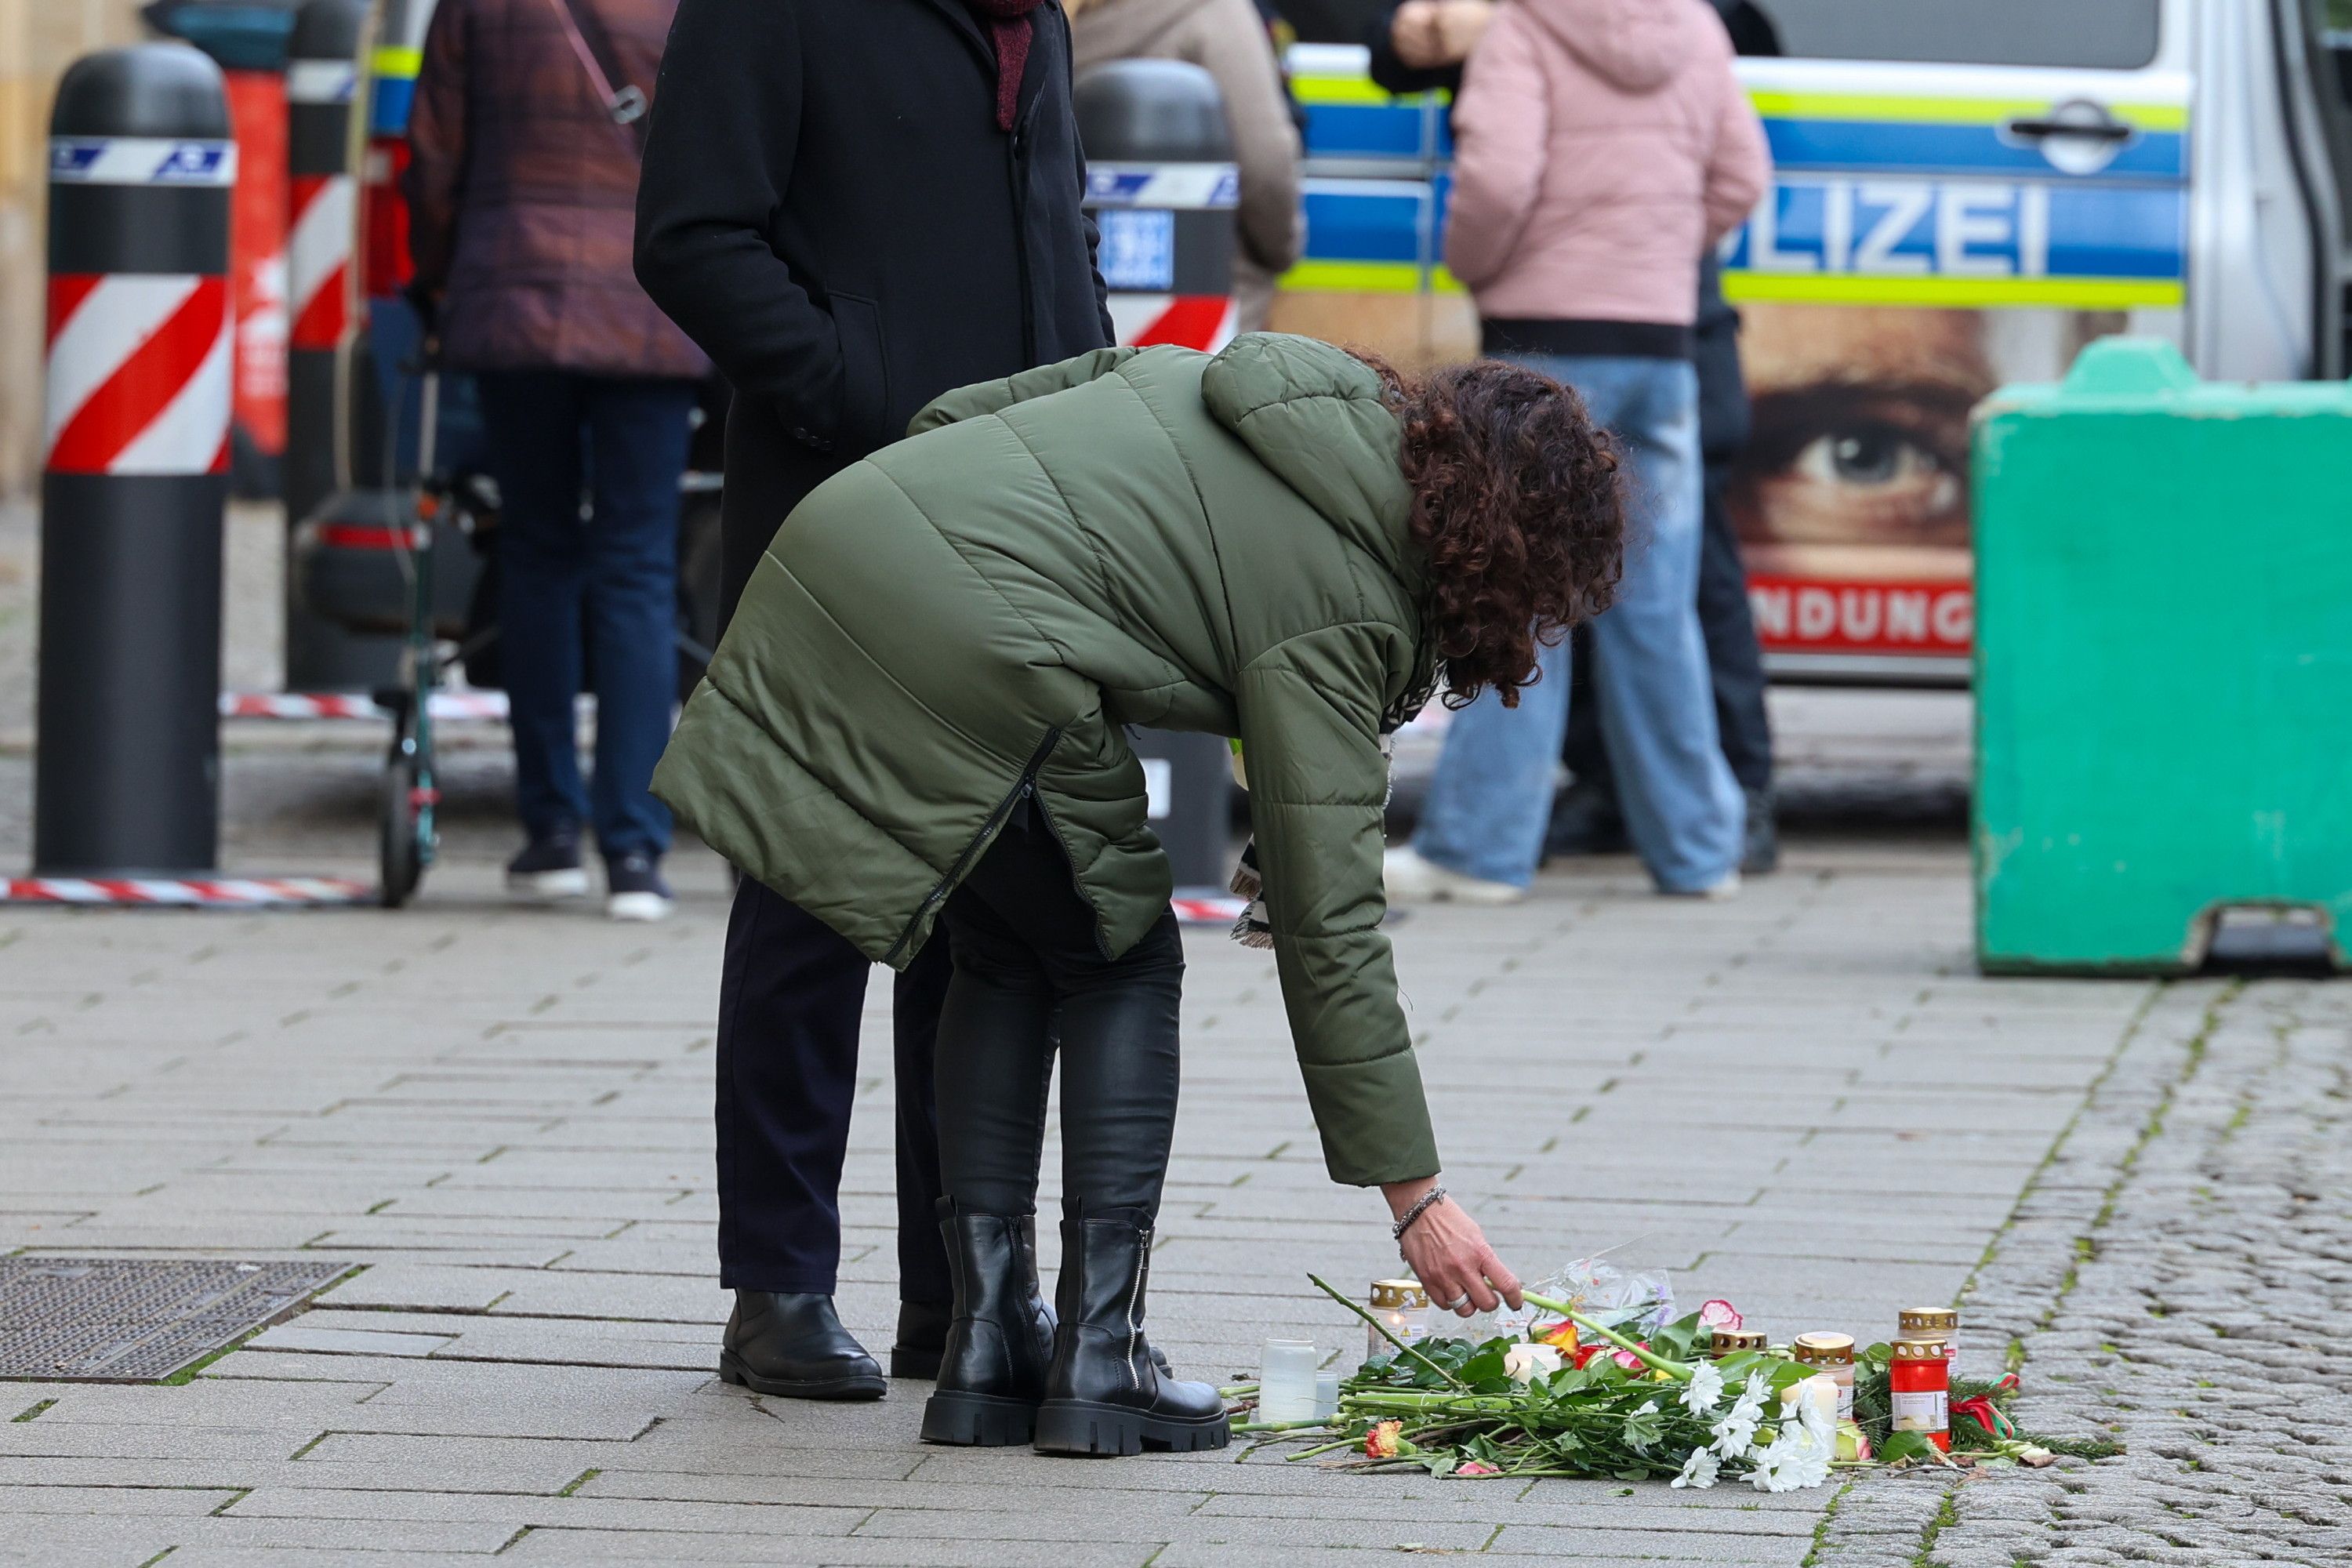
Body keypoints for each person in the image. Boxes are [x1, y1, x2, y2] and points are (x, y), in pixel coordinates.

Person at [654, 333, 1607, 1454]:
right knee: (1126, 959)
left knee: (1010, 949)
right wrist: (1418, 1201)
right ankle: (1103, 1354)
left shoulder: (1266, 385)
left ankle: (991, 1339)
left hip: (845, 542)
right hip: (982, 640)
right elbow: (1335, 931)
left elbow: (961, 408)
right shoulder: (1349, 594)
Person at [632, 0, 1111, 1401]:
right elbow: (693, 236)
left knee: (987, 921)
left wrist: (1095, 398)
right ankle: (777, 1285)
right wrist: (858, 384)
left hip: (1023, 522)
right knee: (812, 898)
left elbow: (1057, 228)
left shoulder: (1040, 24)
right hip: (844, 507)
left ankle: (956, 1290)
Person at [1383, 0, 1769, 905]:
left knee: (1523, 592)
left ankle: (1482, 849)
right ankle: (1699, 851)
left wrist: (1480, 266)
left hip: (1547, 339)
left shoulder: (1522, 25)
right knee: (1656, 606)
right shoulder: (1697, 27)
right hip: (1662, 343)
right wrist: (1659, 256)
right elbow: (1742, 175)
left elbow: (1500, 180)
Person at [407, 0, 708, 923]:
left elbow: (432, 157)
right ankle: (633, 850)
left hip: (513, 298)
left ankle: (548, 836)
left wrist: (438, 286)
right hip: (649, 309)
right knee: (637, 565)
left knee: (535, 551)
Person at [1069, 0, 1304, 332]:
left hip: (1080, 299)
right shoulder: (1213, 12)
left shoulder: (1046, 21)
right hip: (1208, 307)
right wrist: (1284, 248)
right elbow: (1265, 165)